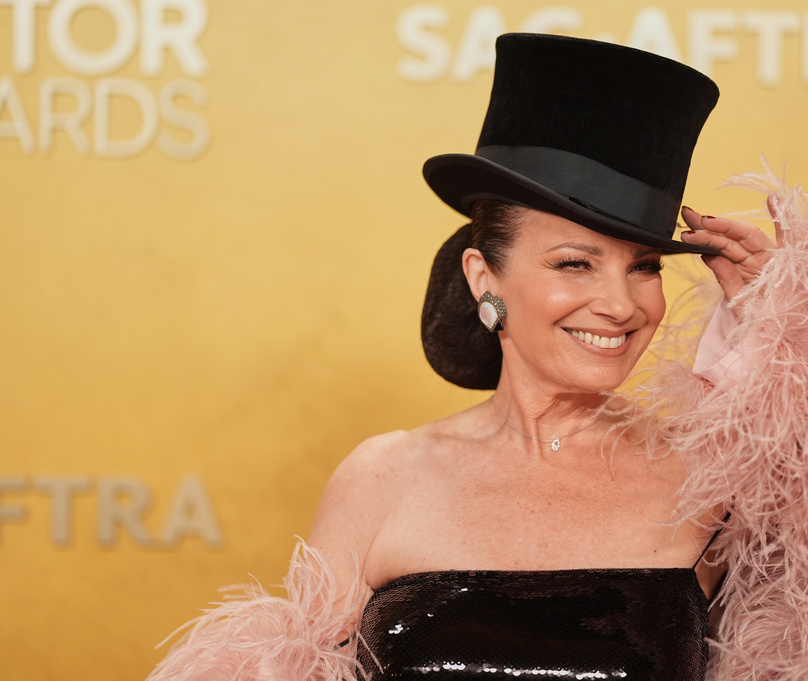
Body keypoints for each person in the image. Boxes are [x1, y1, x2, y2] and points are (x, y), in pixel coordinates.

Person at [149, 33, 768, 681]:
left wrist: (789, 333)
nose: (620, 304)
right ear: (483, 277)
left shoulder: (710, 479)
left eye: (643, 267)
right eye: (574, 263)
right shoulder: (381, 478)